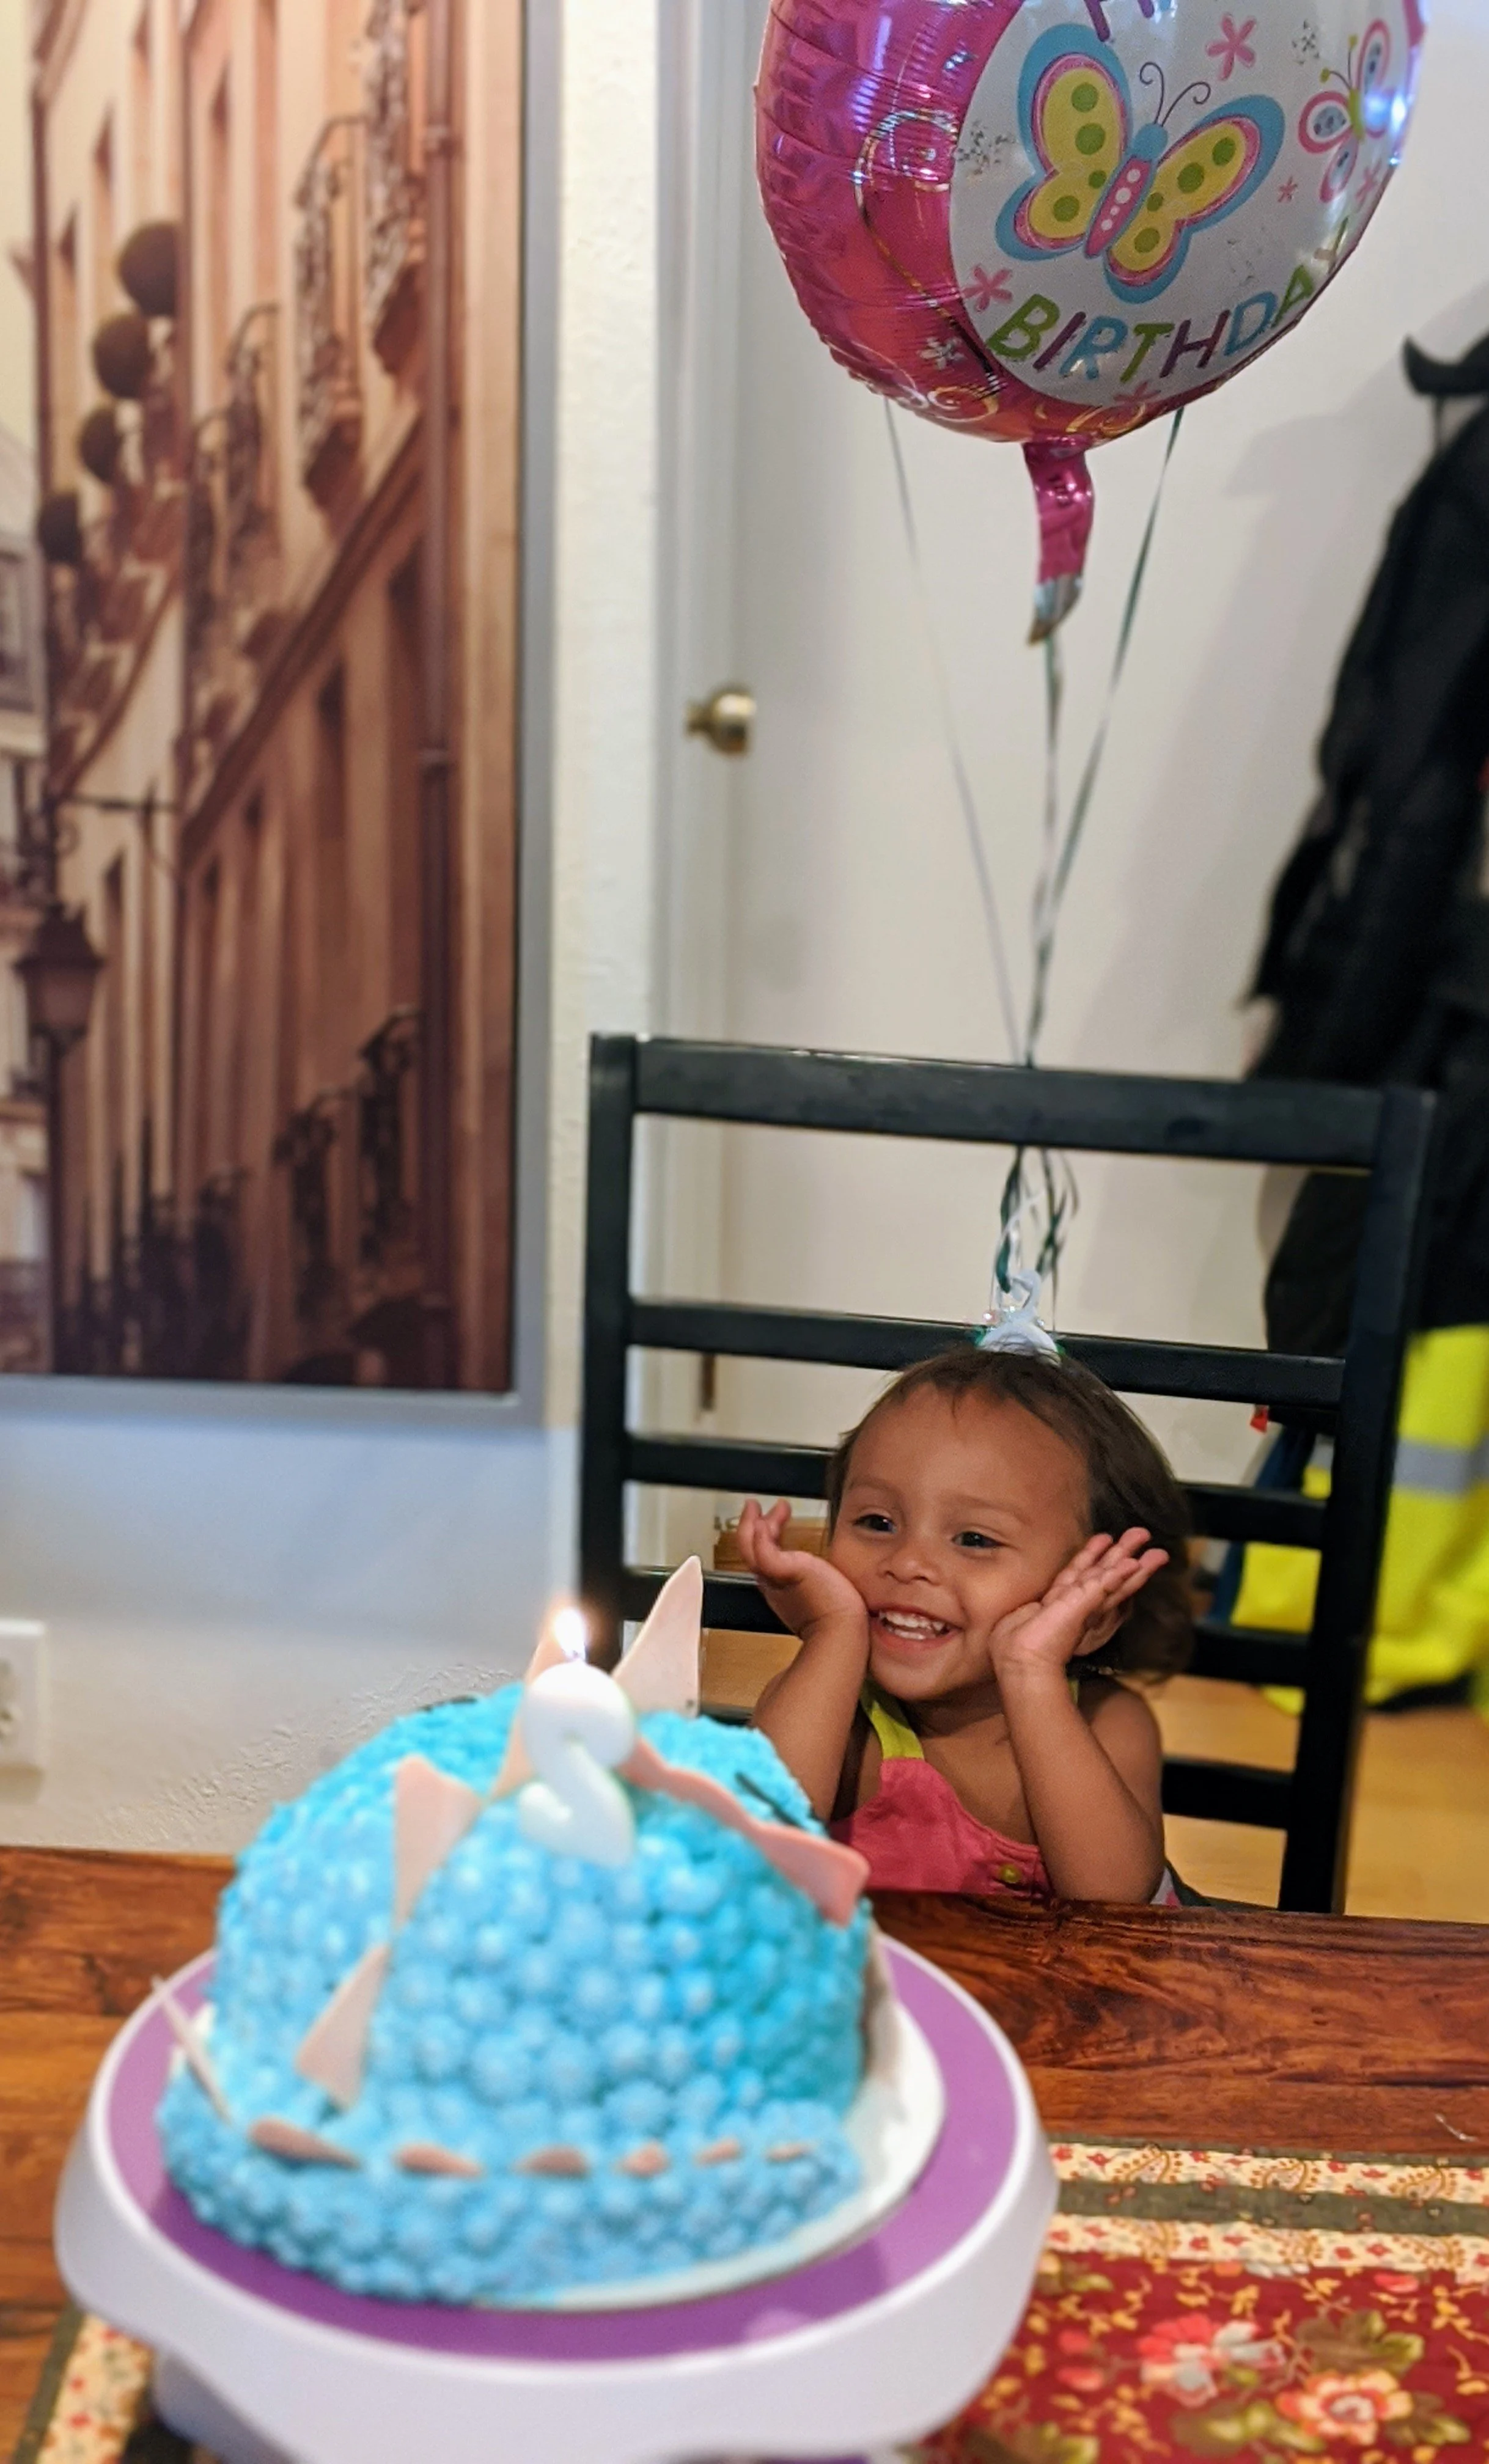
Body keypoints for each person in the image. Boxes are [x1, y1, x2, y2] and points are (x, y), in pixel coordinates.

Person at [737, 1343, 1193, 1904]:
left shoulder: (1105, 1721)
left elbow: (1116, 1904)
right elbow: (749, 1858)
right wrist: (830, 1633)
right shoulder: (835, 1711)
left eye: (975, 1539)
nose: (907, 1563)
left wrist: (1030, 1673)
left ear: (1094, 1614)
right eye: (877, 1522)